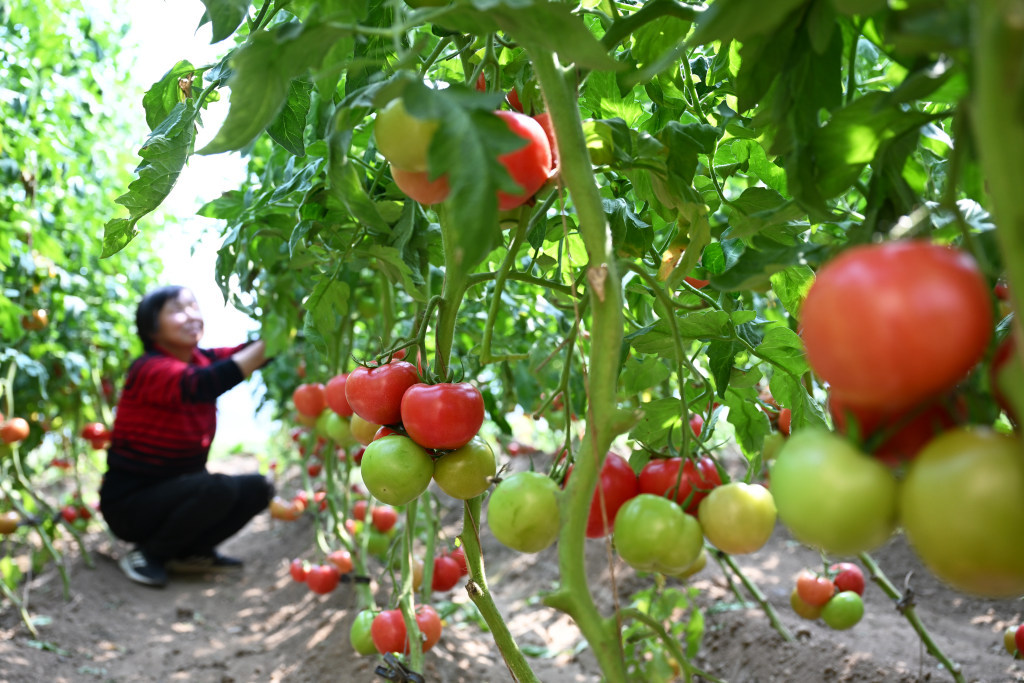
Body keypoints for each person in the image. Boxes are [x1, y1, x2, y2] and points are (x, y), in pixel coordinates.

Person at [99, 285, 274, 588]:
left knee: (260, 488)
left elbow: (248, 355)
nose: (191, 315)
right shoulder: (149, 368)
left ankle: (190, 552)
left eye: (194, 306)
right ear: (152, 326)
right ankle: (149, 555)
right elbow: (205, 384)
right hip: (131, 504)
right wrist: (269, 344)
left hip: (177, 491)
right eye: (177, 310)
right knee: (218, 489)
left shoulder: (201, 358)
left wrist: (286, 325)